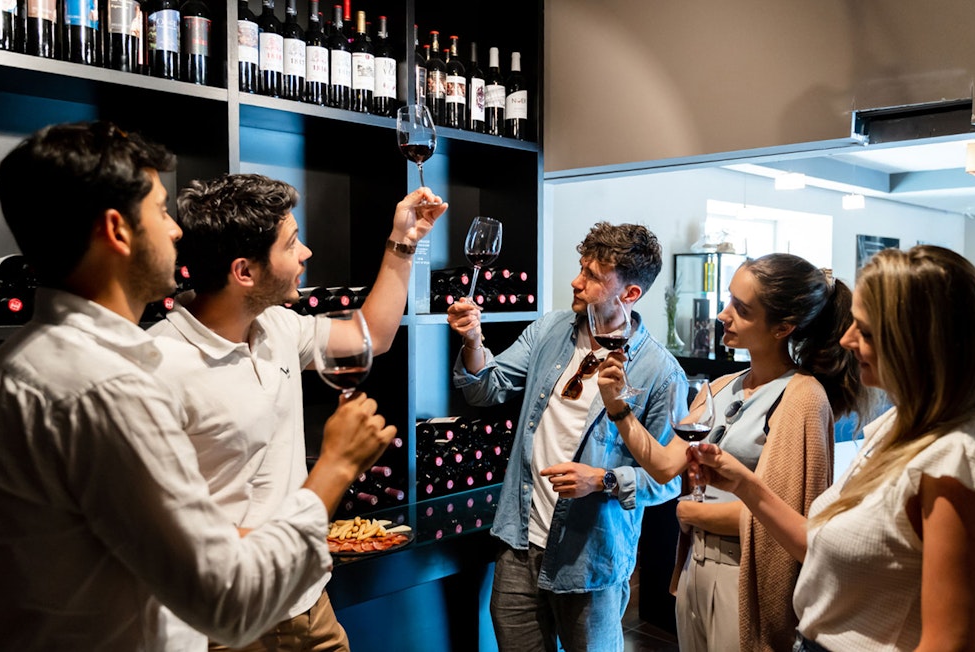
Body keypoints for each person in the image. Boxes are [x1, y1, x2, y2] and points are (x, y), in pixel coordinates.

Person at [0, 121, 396, 650]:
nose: (177, 231)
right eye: (160, 211)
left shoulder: (31, 360)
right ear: (117, 231)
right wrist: (337, 465)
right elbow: (227, 598)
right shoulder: (106, 386)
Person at [147, 173, 446, 650]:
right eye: (291, 244)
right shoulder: (157, 364)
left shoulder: (277, 326)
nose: (306, 253)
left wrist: (402, 243)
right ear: (244, 271)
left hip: (309, 606)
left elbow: (372, 335)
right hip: (228, 624)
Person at [691, 245, 975, 652]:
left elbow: (947, 643)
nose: (846, 339)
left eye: (866, 330)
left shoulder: (955, 461)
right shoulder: (898, 427)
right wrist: (745, 485)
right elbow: (820, 544)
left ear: (917, 342)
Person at [598, 253, 866, 652]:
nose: (723, 315)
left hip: (745, 575)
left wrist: (695, 512)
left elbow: (791, 517)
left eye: (741, 310)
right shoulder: (723, 385)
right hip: (696, 565)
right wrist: (618, 406)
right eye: (728, 301)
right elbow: (663, 465)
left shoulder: (803, 397)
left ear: (783, 328)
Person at [447, 221, 685, 652]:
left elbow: (669, 479)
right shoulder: (550, 330)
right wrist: (472, 340)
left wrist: (603, 480)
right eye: (581, 268)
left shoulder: (661, 372)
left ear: (630, 294)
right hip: (519, 543)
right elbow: (486, 387)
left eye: (593, 276)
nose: (576, 281)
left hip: (589, 559)